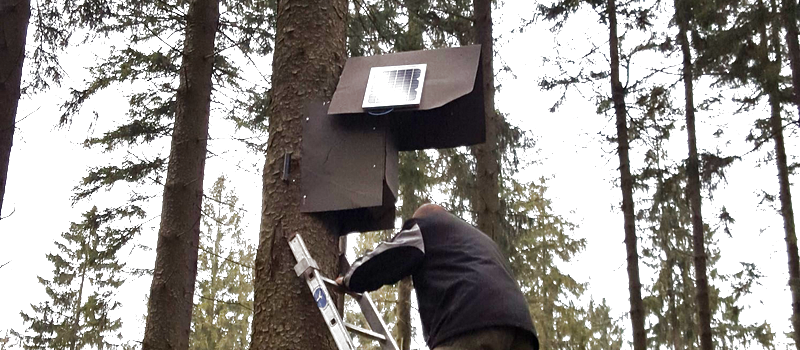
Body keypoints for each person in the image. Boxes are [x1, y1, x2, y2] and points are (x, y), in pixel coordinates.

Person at [336, 203, 539, 350]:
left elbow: (390, 257)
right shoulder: (479, 241)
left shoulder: (427, 226)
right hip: (522, 331)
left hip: (469, 323)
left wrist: (350, 279)